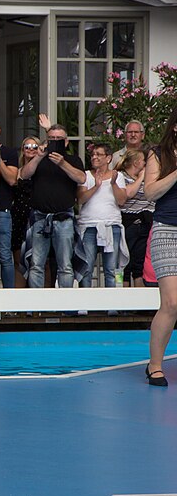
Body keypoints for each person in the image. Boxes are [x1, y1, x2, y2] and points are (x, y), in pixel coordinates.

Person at [19, 121, 86, 288]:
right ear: (46, 141)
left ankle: (65, 301)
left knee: (65, 265)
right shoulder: (39, 159)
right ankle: (37, 302)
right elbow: (23, 175)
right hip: (40, 217)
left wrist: (62, 163)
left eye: (59, 139)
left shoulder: (73, 159)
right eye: (51, 139)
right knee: (36, 264)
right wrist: (38, 157)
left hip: (64, 217)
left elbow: (81, 178)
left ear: (66, 142)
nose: (55, 141)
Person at [143, 108, 177, 386]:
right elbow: (150, 192)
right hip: (168, 230)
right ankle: (155, 365)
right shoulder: (158, 154)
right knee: (172, 302)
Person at [75, 143, 127, 288]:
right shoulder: (86, 175)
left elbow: (121, 200)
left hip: (111, 225)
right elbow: (80, 199)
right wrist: (96, 186)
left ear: (108, 158)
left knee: (111, 269)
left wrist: (113, 184)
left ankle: (112, 300)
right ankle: (86, 300)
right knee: (87, 268)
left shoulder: (118, 176)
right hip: (89, 225)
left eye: (98, 154)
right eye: (92, 155)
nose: (94, 157)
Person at [118, 149, 155, 287]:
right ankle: (125, 293)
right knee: (126, 261)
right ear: (136, 162)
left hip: (146, 222)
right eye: (144, 161)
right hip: (129, 222)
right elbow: (128, 193)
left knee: (140, 262)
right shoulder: (122, 176)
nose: (145, 164)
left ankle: (140, 293)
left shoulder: (149, 178)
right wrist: (140, 178)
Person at [12, 136, 42, 287]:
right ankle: (19, 298)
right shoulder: (17, 171)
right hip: (19, 217)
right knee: (19, 260)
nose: (31, 149)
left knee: (41, 260)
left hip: (38, 217)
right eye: (27, 146)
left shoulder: (43, 171)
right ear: (22, 150)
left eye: (35, 147)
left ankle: (43, 299)